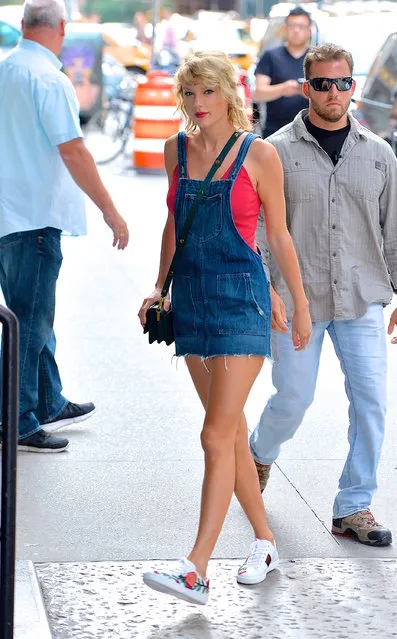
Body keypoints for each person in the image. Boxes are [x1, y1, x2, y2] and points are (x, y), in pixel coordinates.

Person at [138, 50, 311, 605]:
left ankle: (196, 568)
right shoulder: (175, 149)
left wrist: (298, 303)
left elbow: (278, 236)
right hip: (191, 300)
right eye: (189, 94)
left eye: (208, 92)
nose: (198, 104)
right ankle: (264, 541)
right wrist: (159, 286)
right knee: (231, 433)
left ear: (230, 95)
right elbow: (174, 224)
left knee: (214, 434)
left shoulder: (258, 155)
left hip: (242, 304)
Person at [250, 43, 397, 547]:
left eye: (341, 82)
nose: (332, 92)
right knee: (293, 398)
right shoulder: (276, 151)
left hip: (362, 297)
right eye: (321, 83)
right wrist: (270, 291)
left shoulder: (379, 154)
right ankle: (259, 453)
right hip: (297, 300)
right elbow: (258, 228)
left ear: (353, 86)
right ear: (306, 88)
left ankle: (353, 506)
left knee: (370, 402)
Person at [0, 0, 129, 453]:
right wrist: (111, 211)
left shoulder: (5, 69)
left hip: (8, 213)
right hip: (35, 215)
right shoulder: (48, 79)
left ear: (21, 26)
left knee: (31, 312)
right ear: (62, 29)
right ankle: (16, 419)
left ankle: (48, 400)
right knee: (31, 321)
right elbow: (74, 150)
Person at [253, 6, 311, 138]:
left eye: (301, 26)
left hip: (310, 132)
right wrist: (284, 89)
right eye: (292, 26)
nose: (296, 30)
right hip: (275, 132)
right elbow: (258, 93)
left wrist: (309, 92)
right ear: (284, 29)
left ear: (309, 31)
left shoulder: (316, 58)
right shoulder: (270, 56)